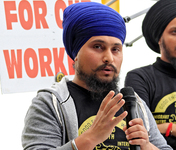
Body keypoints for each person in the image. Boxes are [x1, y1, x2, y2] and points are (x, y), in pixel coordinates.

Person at [22, 2, 172, 150]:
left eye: (115, 49)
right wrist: (90, 138)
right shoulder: (50, 103)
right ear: (76, 53)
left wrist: (147, 146)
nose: (109, 58)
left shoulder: (134, 103)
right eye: (98, 47)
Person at [124, 0, 176, 149]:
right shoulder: (140, 77)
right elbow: (139, 130)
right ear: (159, 38)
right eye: (175, 32)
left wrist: (166, 127)